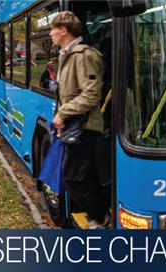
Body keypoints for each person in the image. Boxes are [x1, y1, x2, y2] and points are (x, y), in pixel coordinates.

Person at [50, 11, 109, 229]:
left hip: (84, 127)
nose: (50, 34)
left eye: (53, 30)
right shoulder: (66, 54)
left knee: (73, 177)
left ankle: (100, 218)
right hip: (74, 126)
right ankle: (99, 215)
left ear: (63, 31)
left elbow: (91, 95)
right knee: (86, 175)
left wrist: (63, 113)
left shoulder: (84, 55)